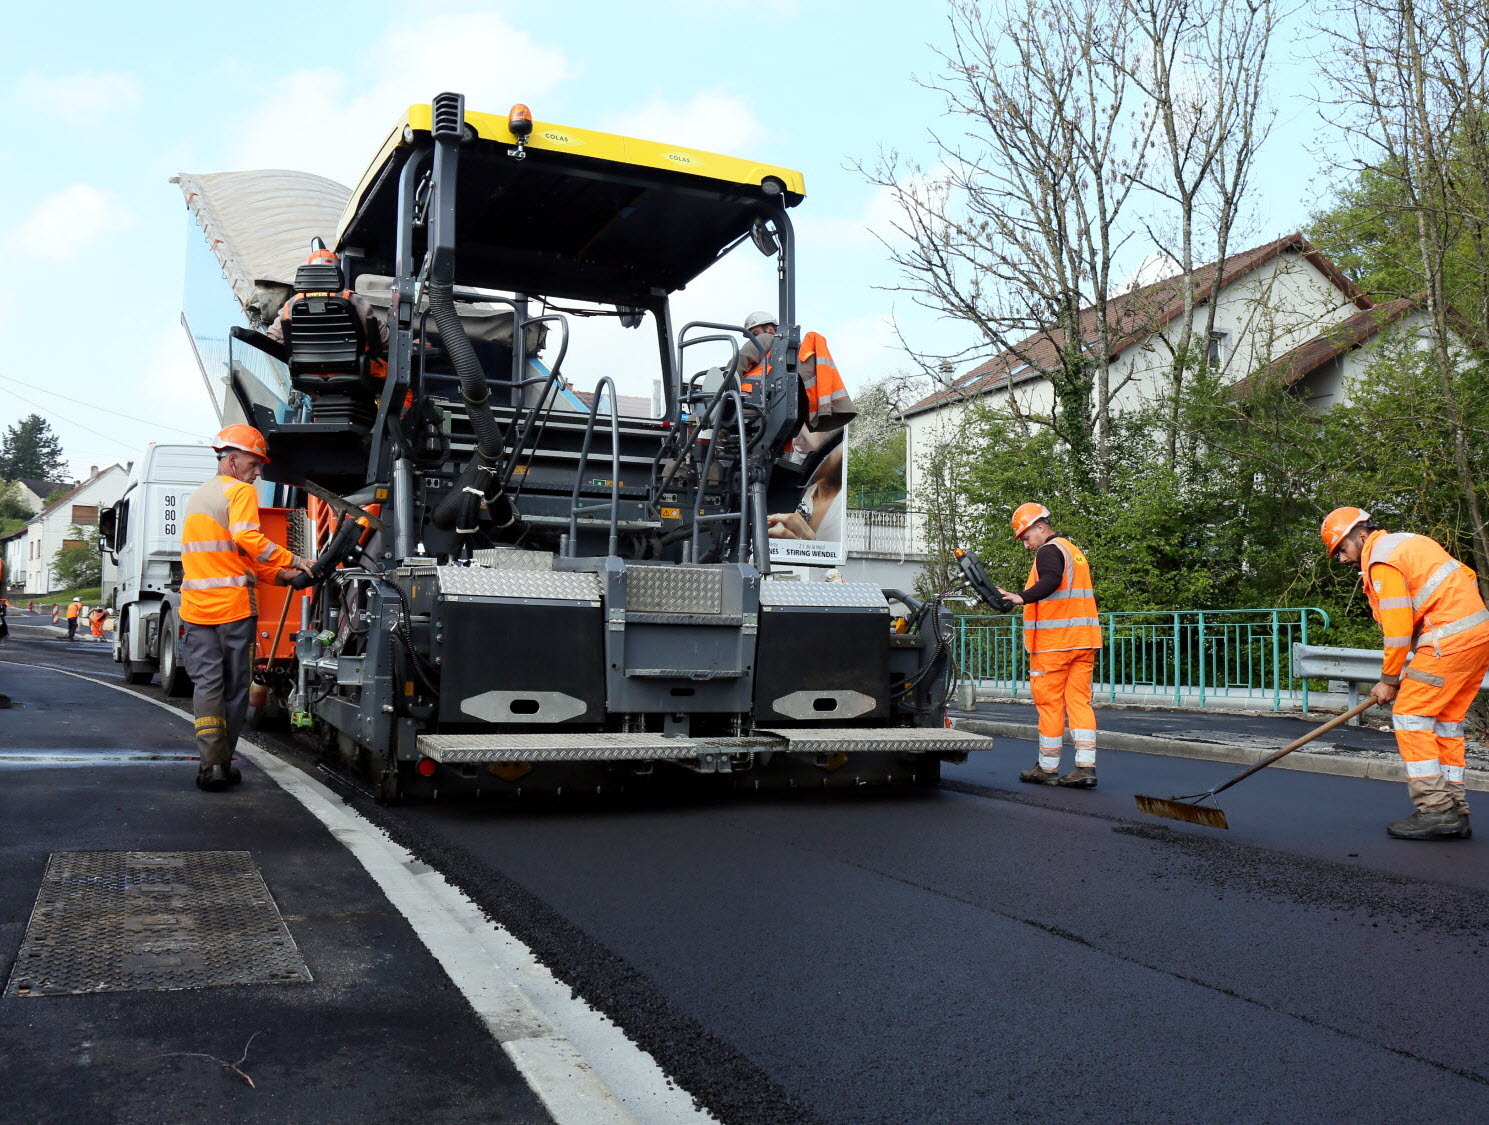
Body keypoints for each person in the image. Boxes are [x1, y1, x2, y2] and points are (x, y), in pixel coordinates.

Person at [1321, 507, 1489, 839]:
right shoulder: (1406, 543)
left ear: (1362, 536)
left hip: (1448, 643)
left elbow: (1397, 629)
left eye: (1342, 548)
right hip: (1476, 637)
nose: (1341, 558)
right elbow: (1467, 575)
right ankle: (1454, 809)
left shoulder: (1381, 561)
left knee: (1411, 714)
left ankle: (1437, 810)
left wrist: (1388, 680)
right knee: (1445, 723)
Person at [180, 425, 313, 792]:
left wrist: (283, 577)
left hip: (196, 610)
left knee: (207, 685)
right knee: (236, 689)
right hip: (234, 610)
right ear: (233, 459)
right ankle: (223, 763)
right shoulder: (239, 491)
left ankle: (210, 765)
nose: (258, 473)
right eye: (255, 464)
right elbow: (248, 539)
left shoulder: (200, 496)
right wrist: (296, 559)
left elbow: (238, 560)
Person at [995, 503, 1103, 788]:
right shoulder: (1073, 551)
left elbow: (1051, 581)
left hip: (1054, 645)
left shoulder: (1048, 551)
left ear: (1040, 527)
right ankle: (1085, 766)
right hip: (1083, 640)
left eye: (1026, 537)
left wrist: (1020, 597)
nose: (1026, 545)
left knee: (1050, 704)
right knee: (1080, 702)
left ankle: (1047, 767)